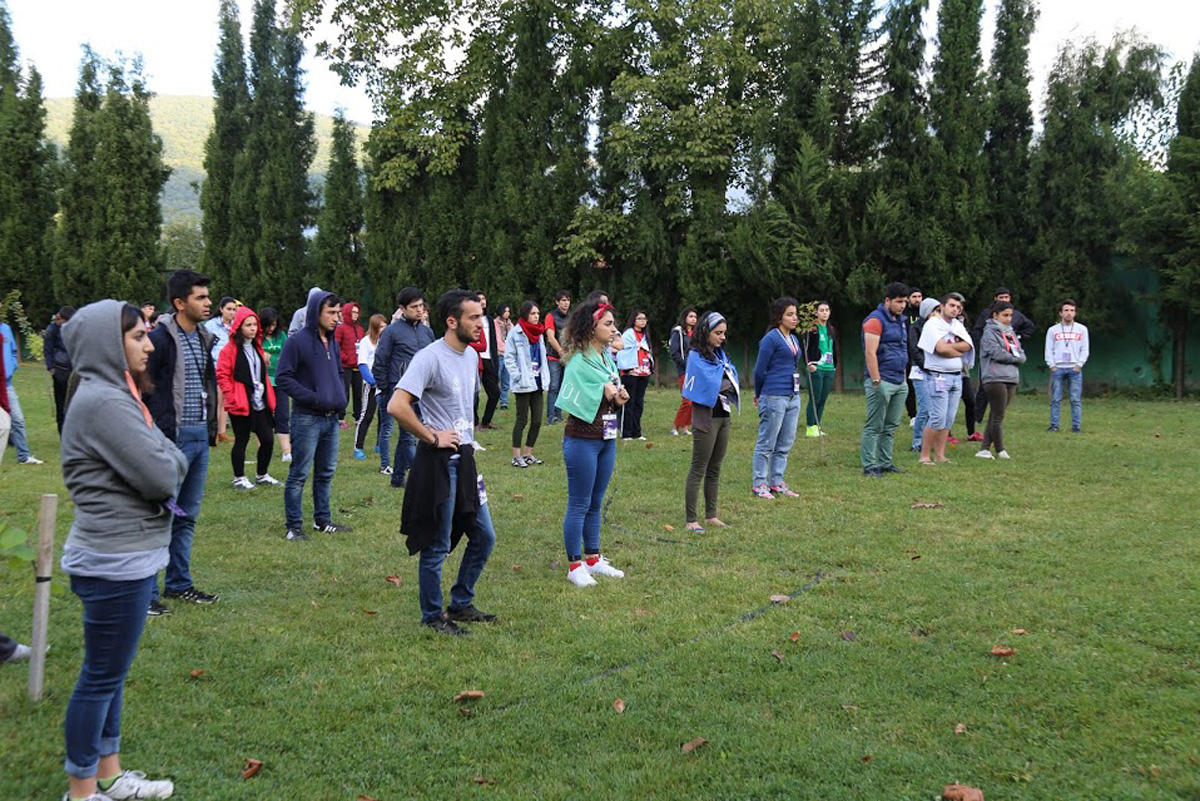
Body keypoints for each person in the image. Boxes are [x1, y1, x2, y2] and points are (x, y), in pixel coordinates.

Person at [59, 300, 188, 801]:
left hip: (125, 555)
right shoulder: (105, 403)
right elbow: (162, 474)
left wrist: (166, 460)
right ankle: (81, 790)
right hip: (113, 559)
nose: (149, 345)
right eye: (137, 336)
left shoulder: (117, 395)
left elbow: (168, 456)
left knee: (110, 675)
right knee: (99, 678)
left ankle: (109, 776)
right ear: (106, 346)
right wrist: (167, 462)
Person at [389, 290, 497, 635]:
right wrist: (432, 436)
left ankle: (461, 603)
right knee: (436, 545)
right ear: (452, 321)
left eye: (481, 316)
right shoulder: (429, 357)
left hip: (465, 461)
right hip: (439, 463)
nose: (481, 324)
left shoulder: (470, 356)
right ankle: (433, 616)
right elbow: (397, 405)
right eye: (473, 318)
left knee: (484, 536)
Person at [144, 270, 221, 615]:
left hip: (199, 437)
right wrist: (154, 432)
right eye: (200, 297)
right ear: (179, 303)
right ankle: (146, 594)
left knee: (186, 515)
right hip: (169, 439)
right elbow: (142, 388)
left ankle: (178, 583)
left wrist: (211, 428)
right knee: (160, 514)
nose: (208, 303)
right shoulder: (159, 340)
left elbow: (207, 385)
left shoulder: (204, 338)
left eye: (207, 296)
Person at [555, 300, 630, 586]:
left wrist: (618, 397)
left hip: (605, 438)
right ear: (591, 327)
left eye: (613, 324)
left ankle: (593, 558)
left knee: (596, 502)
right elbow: (572, 398)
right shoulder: (578, 361)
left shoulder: (606, 358)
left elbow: (609, 391)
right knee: (579, 502)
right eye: (608, 324)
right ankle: (575, 565)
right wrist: (602, 390)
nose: (613, 329)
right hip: (582, 440)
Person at [275, 291, 351, 540]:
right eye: (331, 313)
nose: (336, 318)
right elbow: (283, 377)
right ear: (316, 312)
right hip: (307, 418)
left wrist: (340, 399)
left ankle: (323, 521)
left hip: (331, 419)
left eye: (338, 313)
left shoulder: (333, 341)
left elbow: (338, 372)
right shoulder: (297, 342)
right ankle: (293, 526)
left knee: (326, 473)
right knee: (299, 474)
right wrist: (312, 397)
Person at [682, 312, 740, 532]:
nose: (722, 337)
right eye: (718, 333)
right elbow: (710, 384)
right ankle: (691, 520)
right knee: (699, 468)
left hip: (723, 415)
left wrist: (723, 382)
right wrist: (723, 382)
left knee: (715, 467)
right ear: (706, 332)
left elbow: (730, 379)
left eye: (724, 333)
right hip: (705, 418)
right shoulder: (696, 356)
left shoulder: (720, 355)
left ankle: (711, 515)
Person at [373, 288, 434, 485]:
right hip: (399, 391)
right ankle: (421, 481)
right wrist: (386, 389)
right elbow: (380, 361)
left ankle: (398, 477)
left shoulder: (427, 332)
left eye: (421, 306)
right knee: (409, 437)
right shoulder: (391, 332)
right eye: (414, 307)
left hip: (423, 392)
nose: (419, 310)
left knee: (407, 437)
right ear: (402, 308)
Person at [216, 306, 279, 489]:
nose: (252, 328)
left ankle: (262, 474)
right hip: (241, 403)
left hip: (260, 402)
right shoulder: (229, 350)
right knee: (241, 440)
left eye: (254, 325)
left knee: (267, 440)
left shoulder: (257, 347)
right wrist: (231, 396)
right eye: (248, 325)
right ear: (239, 327)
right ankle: (239, 478)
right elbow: (222, 374)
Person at [752, 297, 803, 499]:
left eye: (795, 314)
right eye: (790, 314)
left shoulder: (794, 339)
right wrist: (759, 393)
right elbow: (759, 370)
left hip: (793, 396)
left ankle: (777, 481)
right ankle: (759, 484)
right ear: (779, 317)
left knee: (785, 443)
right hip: (774, 395)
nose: (794, 318)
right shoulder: (770, 339)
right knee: (767, 443)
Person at [917, 292, 973, 465]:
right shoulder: (933, 324)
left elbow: (968, 345)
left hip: (957, 376)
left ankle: (940, 455)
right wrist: (956, 350)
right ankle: (924, 456)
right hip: (938, 376)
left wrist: (951, 348)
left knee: (948, 419)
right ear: (942, 306)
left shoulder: (957, 325)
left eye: (958, 307)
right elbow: (941, 349)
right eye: (952, 305)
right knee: (937, 418)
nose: (955, 309)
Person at [860, 282, 910, 477]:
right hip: (882, 381)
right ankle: (869, 465)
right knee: (874, 425)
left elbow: (902, 349)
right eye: (899, 301)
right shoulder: (874, 320)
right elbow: (870, 353)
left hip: (899, 381)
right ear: (887, 300)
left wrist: (903, 380)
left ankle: (885, 462)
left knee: (891, 425)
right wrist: (876, 381)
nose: (902, 305)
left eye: (905, 302)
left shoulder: (901, 320)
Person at [972, 286, 1036, 424]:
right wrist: (985, 345)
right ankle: (977, 417)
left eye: (1006, 297)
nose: (1004, 300)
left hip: (1009, 366)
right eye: (1001, 297)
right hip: (991, 361)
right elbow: (977, 331)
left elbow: (1030, 327)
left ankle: (993, 420)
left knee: (1000, 407)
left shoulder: (1016, 315)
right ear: (995, 299)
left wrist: (1019, 338)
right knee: (983, 389)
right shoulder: (986, 314)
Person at [977, 301, 1026, 459]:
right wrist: (1015, 358)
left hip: (1011, 377)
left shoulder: (1010, 333)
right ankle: (1000, 449)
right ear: (995, 315)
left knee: (995, 415)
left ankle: (984, 449)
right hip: (994, 378)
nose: (1009, 319)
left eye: (1011, 315)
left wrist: (1016, 357)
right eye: (1005, 315)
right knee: (998, 416)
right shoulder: (989, 333)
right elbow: (996, 353)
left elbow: (1021, 353)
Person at [504, 301, 549, 467]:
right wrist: (517, 376)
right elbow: (509, 357)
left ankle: (528, 453)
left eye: (538, 313)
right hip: (523, 382)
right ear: (525, 315)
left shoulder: (540, 333)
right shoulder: (515, 333)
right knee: (522, 419)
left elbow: (542, 356)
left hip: (537, 381)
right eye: (533, 313)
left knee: (537, 420)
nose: (536, 316)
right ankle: (516, 456)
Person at [1, 319, 44, 464]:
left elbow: (13, 351)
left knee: (18, 419)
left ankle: (23, 456)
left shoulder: (5, 328)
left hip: (6, 384)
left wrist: (12, 367)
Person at [1045, 298, 1089, 433]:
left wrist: (1079, 365)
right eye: (1066, 310)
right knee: (1055, 399)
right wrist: (1052, 365)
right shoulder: (1053, 330)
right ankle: (1054, 425)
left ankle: (1076, 427)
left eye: (1072, 310)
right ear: (1060, 313)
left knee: (1075, 399)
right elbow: (1048, 349)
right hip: (1058, 368)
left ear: (1075, 313)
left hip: (1074, 368)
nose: (1069, 313)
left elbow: (1085, 349)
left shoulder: (1082, 329)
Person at [258, 307, 292, 462]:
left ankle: (287, 451)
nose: (271, 328)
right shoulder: (257, 338)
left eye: (273, 325)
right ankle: (263, 451)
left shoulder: (282, 336)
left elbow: (287, 352)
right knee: (263, 416)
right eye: (268, 325)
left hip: (280, 381)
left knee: (282, 414)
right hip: (263, 381)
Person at [907, 298, 940, 453]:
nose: (938, 314)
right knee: (925, 407)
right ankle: (917, 441)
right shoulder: (915, 327)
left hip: (937, 371)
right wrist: (927, 365)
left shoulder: (940, 327)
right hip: (920, 371)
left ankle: (930, 440)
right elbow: (914, 350)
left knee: (935, 409)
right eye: (935, 311)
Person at [354, 314, 388, 460]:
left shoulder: (386, 342)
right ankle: (358, 447)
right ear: (374, 328)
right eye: (381, 326)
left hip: (384, 384)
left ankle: (380, 444)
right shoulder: (365, 342)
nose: (384, 329)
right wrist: (371, 381)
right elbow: (362, 364)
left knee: (383, 416)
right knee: (367, 415)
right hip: (371, 385)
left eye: (385, 326)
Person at [616, 309, 654, 440]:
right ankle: (626, 433)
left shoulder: (645, 336)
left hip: (644, 372)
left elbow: (648, 352)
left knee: (639, 403)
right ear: (634, 320)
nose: (642, 321)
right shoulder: (628, 334)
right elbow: (622, 352)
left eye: (644, 319)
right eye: (640, 319)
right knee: (629, 403)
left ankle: (637, 432)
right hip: (630, 373)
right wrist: (627, 369)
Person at [205, 296, 237, 443]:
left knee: (225, 401)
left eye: (234, 310)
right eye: (229, 309)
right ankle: (213, 431)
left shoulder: (235, 325)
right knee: (216, 400)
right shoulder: (211, 325)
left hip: (231, 367)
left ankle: (222, 431)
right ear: (221, 309)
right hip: (216, 366)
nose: (232, 312)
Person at [803, 300, 837, 438]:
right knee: (815, 397)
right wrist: (809, 364)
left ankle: (817, 425)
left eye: (827, 310)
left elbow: (834, 348)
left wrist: (835, 366)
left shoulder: (831, 329)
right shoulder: (812, 329)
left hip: (829, 368)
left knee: (823, 398)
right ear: (816, 313)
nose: (824, 313)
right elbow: (806, 347)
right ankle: (810, 426)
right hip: (816, 367)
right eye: (821, 310)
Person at [470, 291, 501, 429]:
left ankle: (486, 421)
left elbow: (493, 342)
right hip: (476, 359)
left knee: (495, 393)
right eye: (479, 299)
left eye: (484, 298)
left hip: (489, 359)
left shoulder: (489, 320)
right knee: (475, 393)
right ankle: (475, 422)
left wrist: (495, 360)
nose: (482, 301)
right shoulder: (470, 319)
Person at [44, 305, 77, 435]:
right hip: (60, 371)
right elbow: (47, 350)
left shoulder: (75, 329)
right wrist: (51, 368)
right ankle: (63, 434)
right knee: (61, 404)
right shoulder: (52, 330)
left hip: (75, 370)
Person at [334, 301, 365, 431]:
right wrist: (346, 358)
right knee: (344, 393)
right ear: (347, 312)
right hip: (345, 366)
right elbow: (336, 346)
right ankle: (340, 418)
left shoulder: (360, 329)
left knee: (358, 393)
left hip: (357, 366)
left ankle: (358, 418)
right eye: (353, 312)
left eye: (357, 312)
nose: (355, 315)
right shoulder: (340, 328)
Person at [668, 307, 697, 436]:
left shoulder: (695, 334)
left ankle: (685, 427)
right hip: (684, 370)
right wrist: (685, 364)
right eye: (691, 316)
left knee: (694, 400)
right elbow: (674, 352)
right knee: (687, 400)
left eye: (695, 317)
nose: (693, 319)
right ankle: (675, 426)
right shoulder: (678, 332)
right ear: (684, 317)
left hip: (696, 370)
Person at [544, 290, 571, 424]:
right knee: (554, 386)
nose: (566, 303)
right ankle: (550, 416)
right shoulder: (551, 316)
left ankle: (558, 414)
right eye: (563, 300)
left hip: (567, 356)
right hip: (554, 357)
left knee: (562, 386)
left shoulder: (571, 317)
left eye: (568, 300)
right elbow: (550, 337)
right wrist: (560, 351)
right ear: (557, 302)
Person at [903, 287, 924, 422]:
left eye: (919, 296)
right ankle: (913, 415)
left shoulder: (924, 314)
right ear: (908, 299)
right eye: (914, 297)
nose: (917, 299)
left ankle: (924, 413)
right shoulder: (904, 314)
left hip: (922, 353)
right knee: (909, 385)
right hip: (907, 354)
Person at [494, 302, 513, 409]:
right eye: (505, 311)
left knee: (506, 380)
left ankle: (504, 402)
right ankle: (494, 400)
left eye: (508, 311)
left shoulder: (510, 324)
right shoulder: (495, 323)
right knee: (496, 378)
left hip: (508, 354)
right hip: (499, 354)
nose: (507, 313)